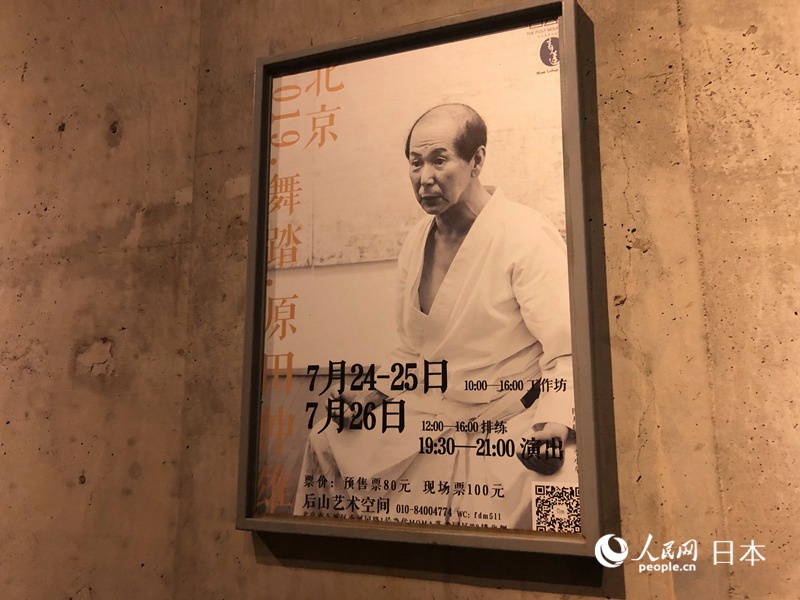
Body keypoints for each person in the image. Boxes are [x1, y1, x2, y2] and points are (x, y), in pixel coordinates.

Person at [294, 104, 577, 530]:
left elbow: (566, 351)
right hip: (431, 412)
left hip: (512, 419)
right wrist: (372, 393)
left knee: (558, 496)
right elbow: (413, 348)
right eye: (415, 163)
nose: (425, 177)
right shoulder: (416, 241)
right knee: (328, 436)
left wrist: (553, 426)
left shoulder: (525, 234)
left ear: (476, 160)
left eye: (439, 160)